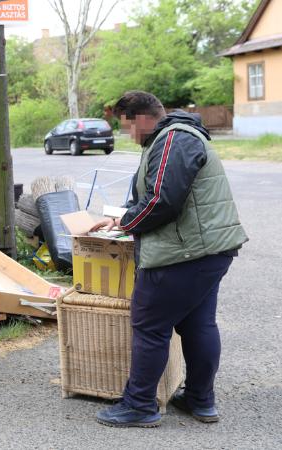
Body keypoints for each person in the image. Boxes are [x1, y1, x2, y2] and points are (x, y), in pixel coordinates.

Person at [93, 91, 248, 428]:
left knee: (149, 326)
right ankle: (199, 399)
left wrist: (127, 224)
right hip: (206, 251)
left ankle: (139, 406)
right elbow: (161, 195)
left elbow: (163, 201)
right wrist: (124, 217)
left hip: (182, 254)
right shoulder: (181, 137)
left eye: (127, 126)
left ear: (142, 118)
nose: (129, 136)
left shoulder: (173, 139)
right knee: (197, 325)